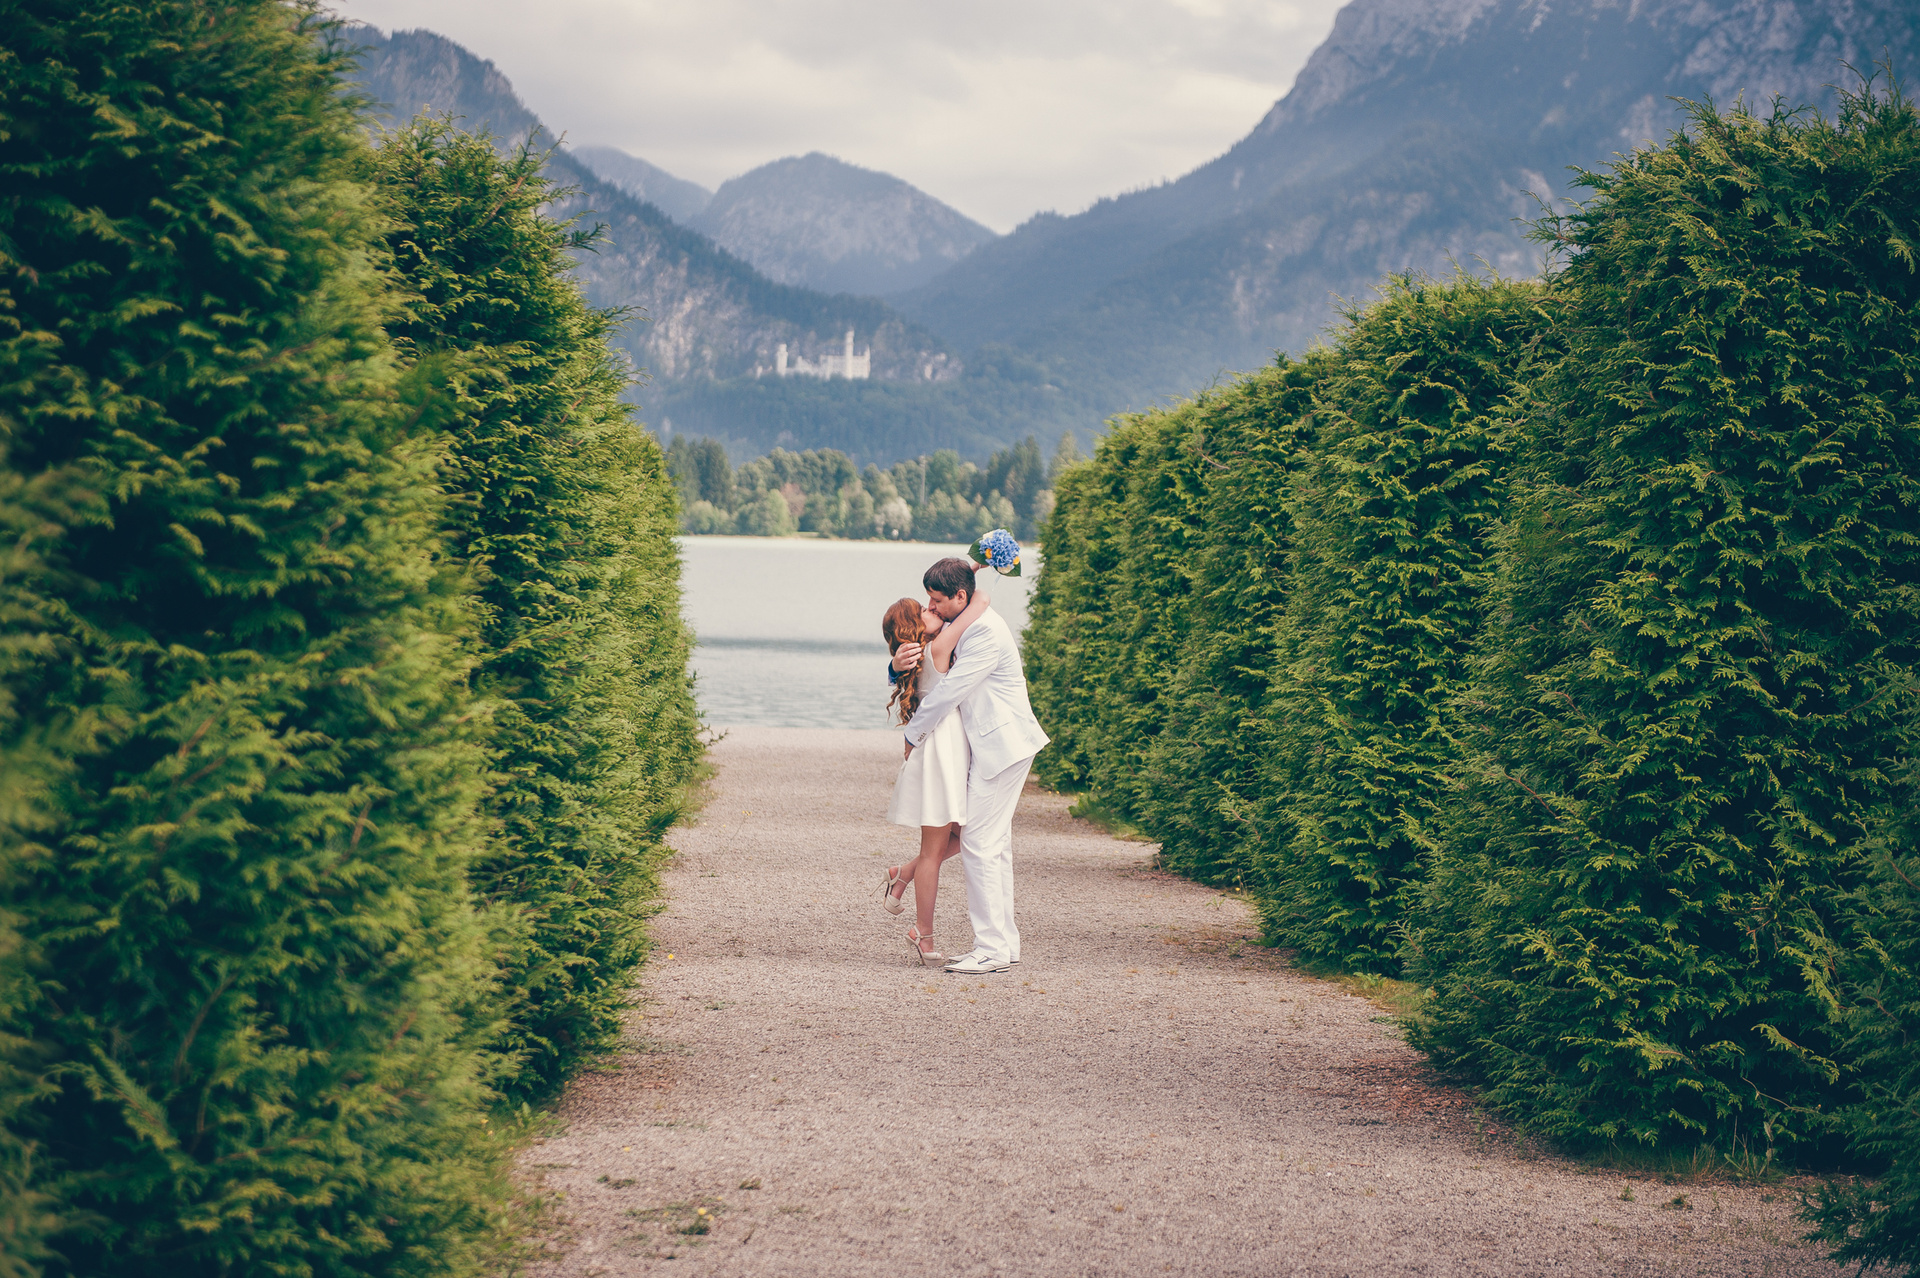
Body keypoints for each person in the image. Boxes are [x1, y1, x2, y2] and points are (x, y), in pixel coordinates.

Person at [894, 557, 1050, 975]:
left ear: (959, 597)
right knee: (994, 845)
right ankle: (1005, 944)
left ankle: (991, 949)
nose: (931, 607)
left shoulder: (983, 632)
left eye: (936, 600)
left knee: (979, 842)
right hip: (997, 746)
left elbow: (949, 692)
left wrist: (912, 736)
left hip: (1003, 746)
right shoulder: (968, 617)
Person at [878, 580, 990, 965]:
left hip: (945, 749)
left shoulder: (921, 656)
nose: (934, 609)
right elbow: (979, 601)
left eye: (933, 603)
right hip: (941, 750)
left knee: (961, 835)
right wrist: (980, 569)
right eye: (925, 610)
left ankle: (903, 874)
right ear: (915, 626)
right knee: (934, 850)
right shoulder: (939, 647)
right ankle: (922, 935)